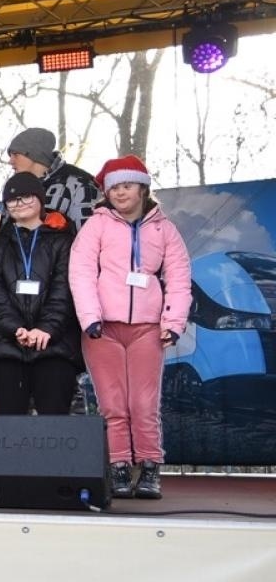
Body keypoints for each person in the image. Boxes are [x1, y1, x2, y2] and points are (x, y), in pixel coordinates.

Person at [69, 155, 190, 500]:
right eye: (114, 188)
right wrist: (90, 317)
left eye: (126, 186)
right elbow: (80, 272)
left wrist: (173, 322)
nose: (120, 193)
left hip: (148, 329)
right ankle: (119, 466)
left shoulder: (163, 228)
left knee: (143, 402)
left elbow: (180, 278)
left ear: (142, 187)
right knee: (112, 403)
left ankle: (150, 468)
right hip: (102, 328)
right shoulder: (98, 225)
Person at [0, 172, 81, 417]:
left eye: (26, 196)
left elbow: (64, 290)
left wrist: (46, 329)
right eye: (12, 200)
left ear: (40, 199)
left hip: (55, 343)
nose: (19, 203)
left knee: (54, 423)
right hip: (5, 344)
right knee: (8, 424)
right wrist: (15, 329)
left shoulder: (64, 241)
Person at [7, 127, 99, 230]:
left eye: (15, 154)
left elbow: (88, 238)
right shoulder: (14, 190)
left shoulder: (80, 185)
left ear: (34, 154)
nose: (10, 161)